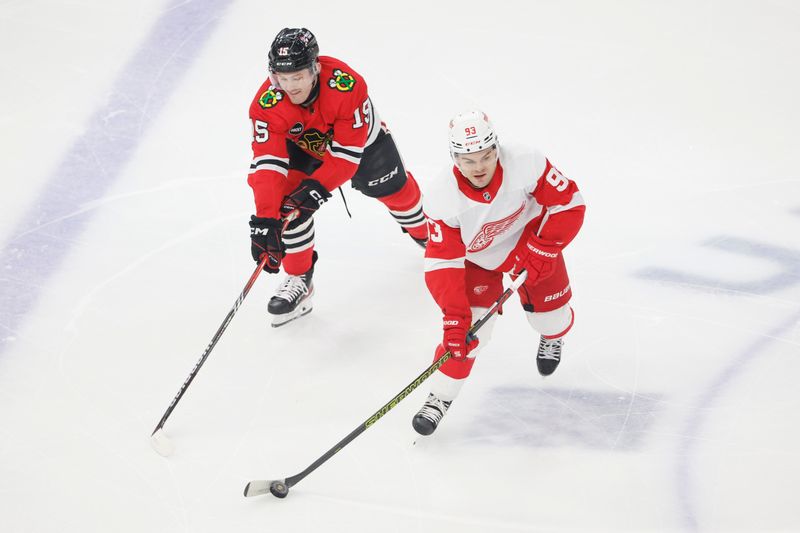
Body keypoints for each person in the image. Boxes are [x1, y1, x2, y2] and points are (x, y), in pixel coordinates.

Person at [412, 110, 586, 436]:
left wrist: (544, 248)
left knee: (551, 319)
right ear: (455, 159)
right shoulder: (441, 197)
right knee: (467, 337)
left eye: (486, 156)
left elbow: (570, 204)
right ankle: (440, 397)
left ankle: (553, 335)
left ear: (496, 148)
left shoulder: (526, 161)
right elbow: (442, 263)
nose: (479, 167)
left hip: (532, 242)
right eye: (468, 160)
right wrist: (454, 316)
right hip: (478, 262)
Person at [247, 28, 428, 327]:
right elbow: (267, 164)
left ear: (315, 68)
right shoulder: (267, 104)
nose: (289, 86)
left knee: (398, 194)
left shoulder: (346, 85)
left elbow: (346, 158)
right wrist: (266, 219)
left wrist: (314, 191)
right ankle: (300, 279)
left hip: (362, 147)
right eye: (282, 77)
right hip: (305, 146)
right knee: (285, 205)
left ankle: (428, 234)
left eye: (297, 77)